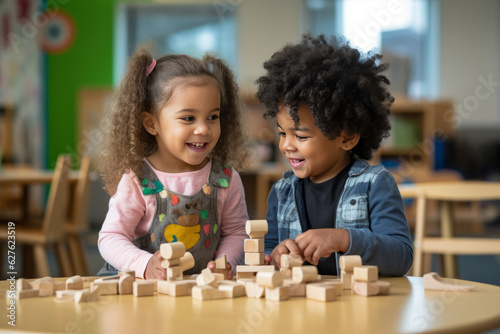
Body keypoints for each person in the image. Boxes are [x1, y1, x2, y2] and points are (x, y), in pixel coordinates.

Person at [256, 34, 413, 276]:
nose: (286, 145)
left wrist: (344, 239)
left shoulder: (375, 184)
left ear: (347, 137)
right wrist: (276, 254)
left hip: (360, 307)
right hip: (300, 307)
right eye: (281, 133)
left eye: (301, 136)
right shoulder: (281, 192)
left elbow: (400, 257)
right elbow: (268, 252)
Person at [97, 45, 248, 279]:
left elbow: (238, 232)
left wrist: (224, 262)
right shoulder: (138, 179)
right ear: (151, 124)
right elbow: (110, 238)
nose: (203, 129)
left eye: (213, 117)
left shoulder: (226, 178)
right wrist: (145, 264)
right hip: (141, 292)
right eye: (188, 118)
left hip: (197, 293)